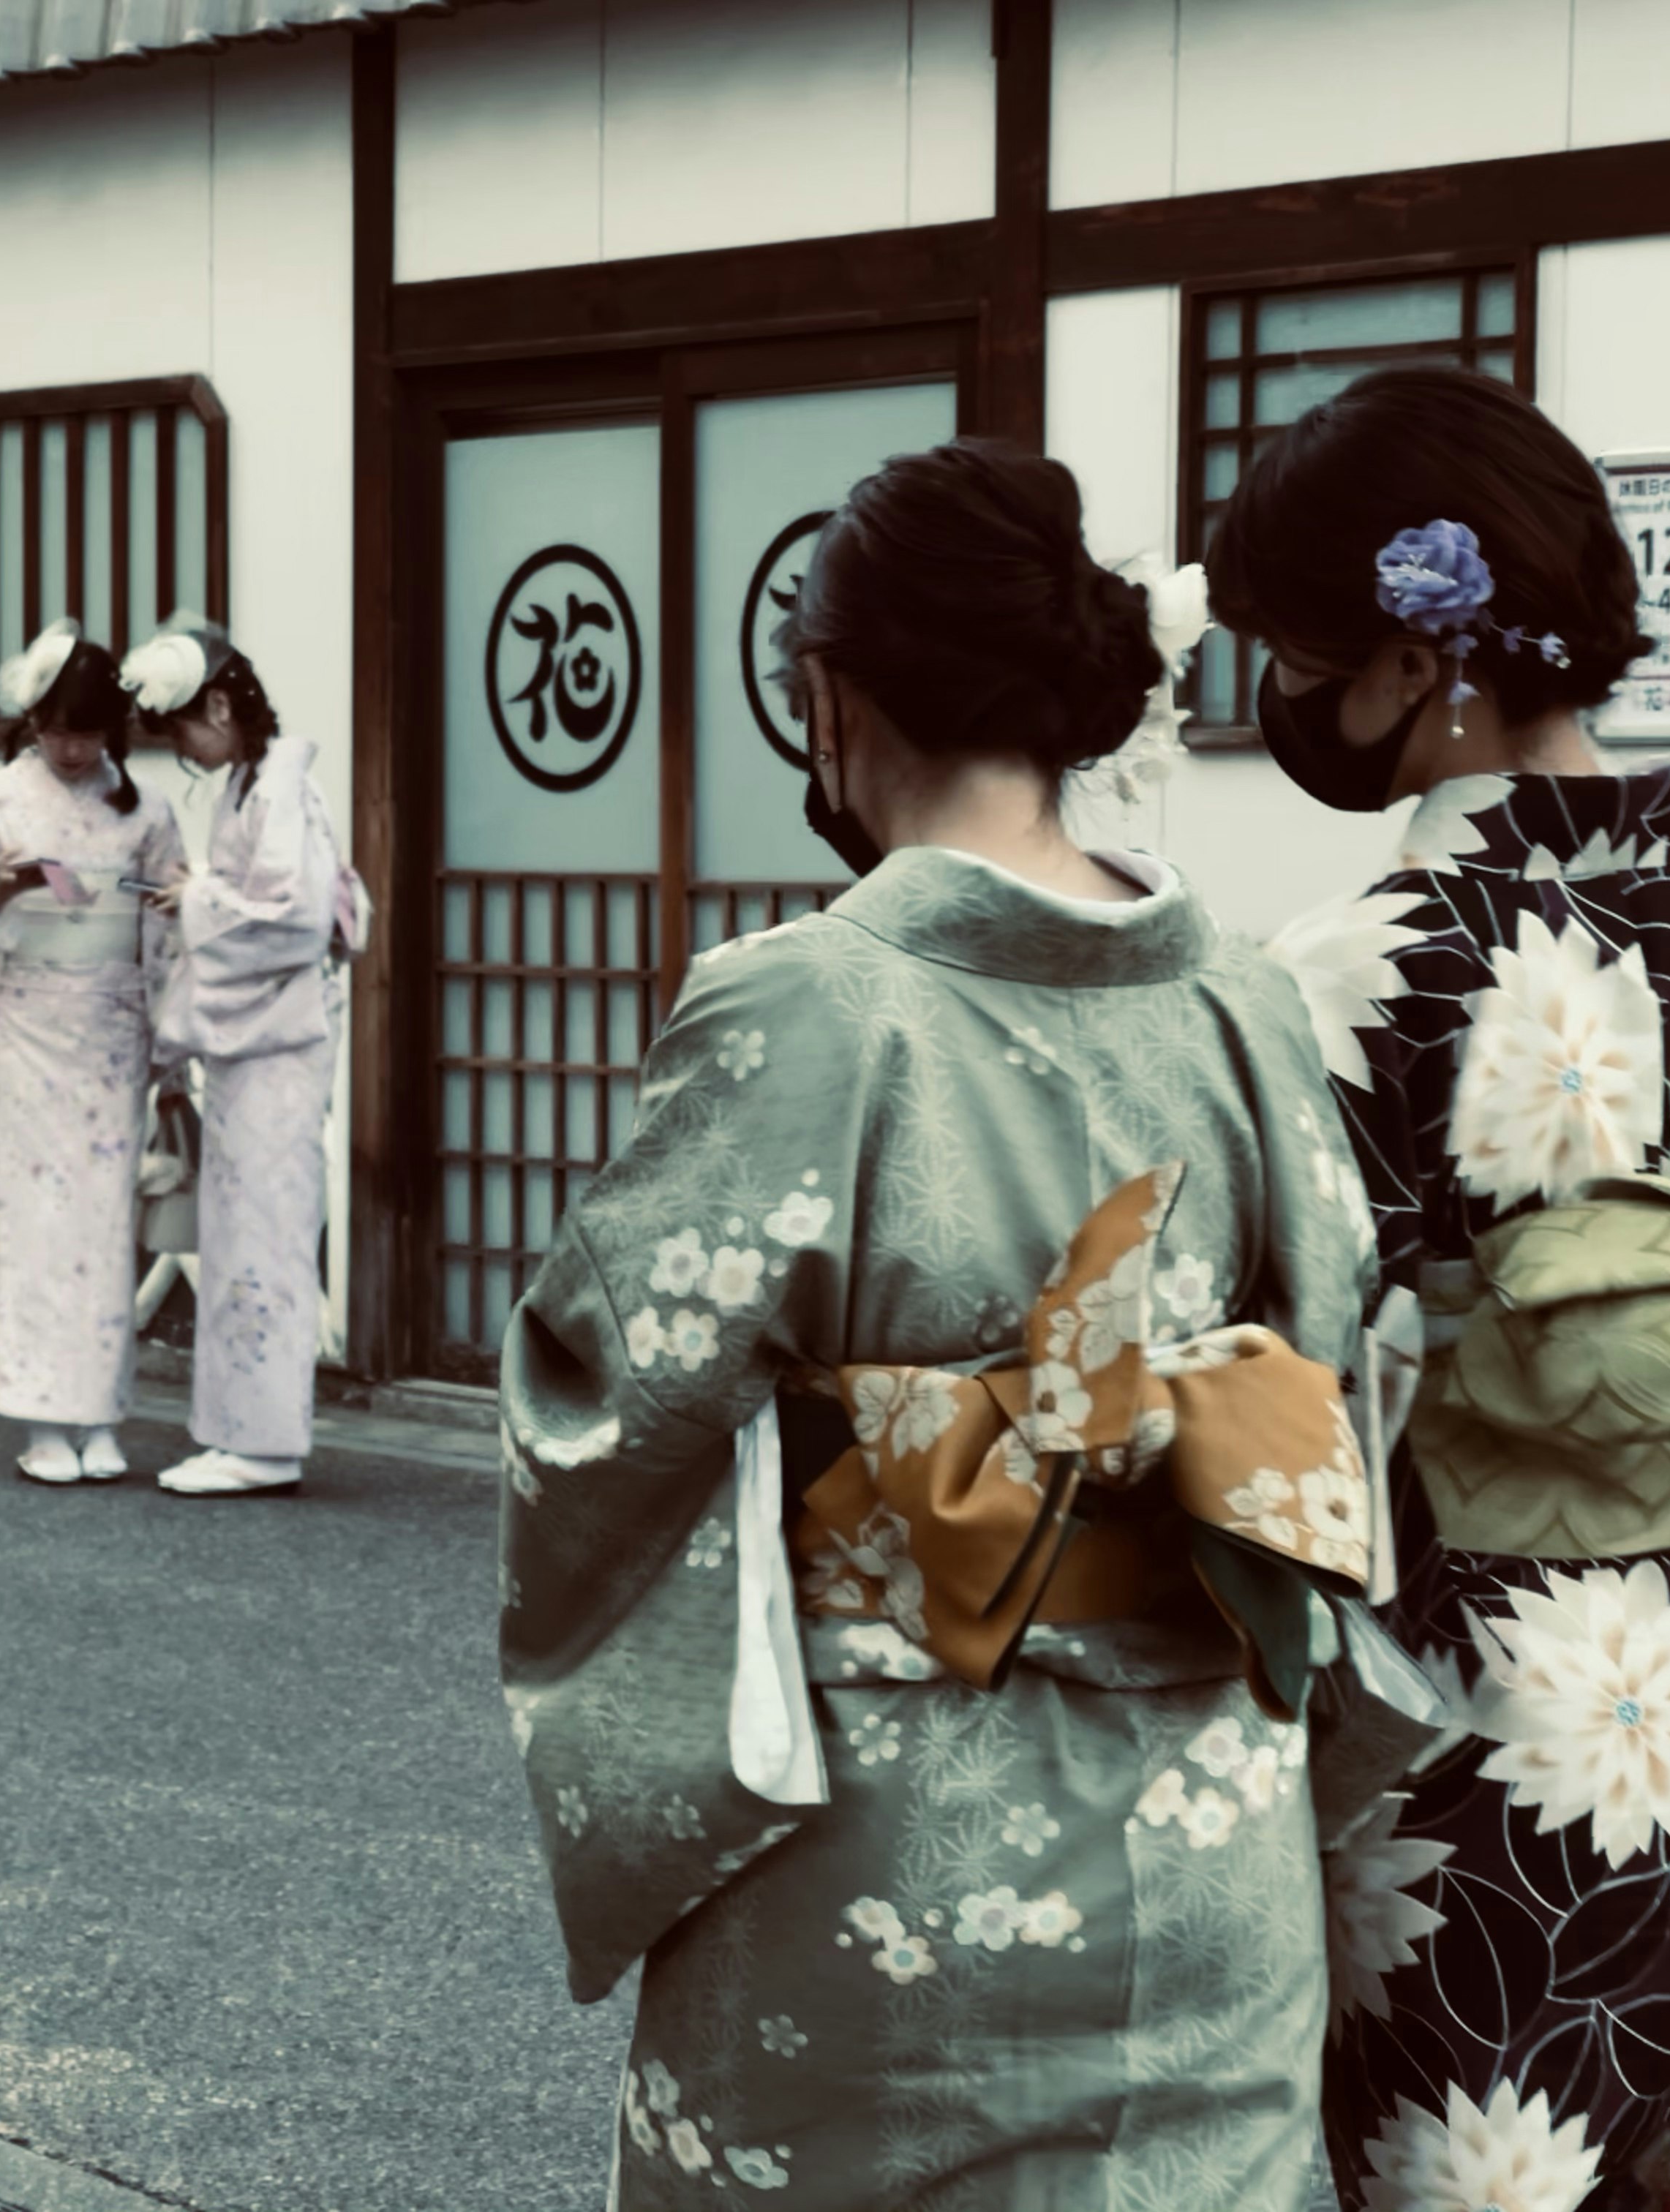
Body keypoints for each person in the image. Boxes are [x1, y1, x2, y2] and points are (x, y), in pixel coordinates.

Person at [500, 440, 1410, 2211]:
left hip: (903, 1860)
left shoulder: (804, 1010)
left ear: (827, 701)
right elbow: (1338, 1369)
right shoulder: (1239, 1000)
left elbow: (603, 1406)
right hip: (1206, 1847)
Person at [1212, 364, 1670, 2208]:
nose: (1282, 699)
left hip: (1472, 1727)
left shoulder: (1346, 975)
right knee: (1666, 2156)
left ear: (1410, 660)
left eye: (1293, 649)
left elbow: (1267, 1400)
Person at [0, 619, 185, 1486]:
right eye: (59, 731)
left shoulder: (143, 810)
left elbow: (169, 925)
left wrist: (171, 1043)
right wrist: (1, 886)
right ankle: (39, 1419)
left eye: (90, 733)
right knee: (31, 1232)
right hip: (28, 1030)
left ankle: (99, 1414)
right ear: (31, 723)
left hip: (110, 1031)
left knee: (102, 1232)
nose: (72, 750)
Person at [121, 615, 353, 1498]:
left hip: (276, 1047)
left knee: (265, 1236)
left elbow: (288, 919)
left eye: (182, 725)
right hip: (255, 1047)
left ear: (220, 705)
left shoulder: (281, 790)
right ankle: (240, 1431)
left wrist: (196, 896)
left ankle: (263, 1440)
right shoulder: (251, 787)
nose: (179, 743)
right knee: (242, 1235)